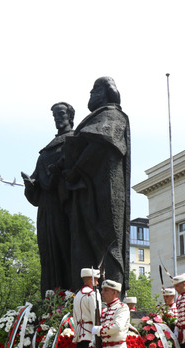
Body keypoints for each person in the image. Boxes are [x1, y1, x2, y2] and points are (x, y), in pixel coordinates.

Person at [63, 76, 131, 293]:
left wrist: (75, 169)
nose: (90, 96)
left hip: (107, 188)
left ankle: (114, 294)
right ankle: (87, 290)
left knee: (109, 240)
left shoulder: (113, 115)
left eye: (93, 91)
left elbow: (99, 146)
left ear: (105, 92)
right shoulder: (96, 118)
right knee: (87, 241)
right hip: (89, 188)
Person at [23, 102, 74, 293]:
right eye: (54, 115)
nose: (57, 118)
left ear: (69, 115)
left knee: (63, 248)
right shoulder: (45, 151)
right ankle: (50, 295)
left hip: (63, 205)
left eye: (60, 114)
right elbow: (37, 177)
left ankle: (68, 293)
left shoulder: (74, 140)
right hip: (46, 207)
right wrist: (31, 185)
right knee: (47, 251)